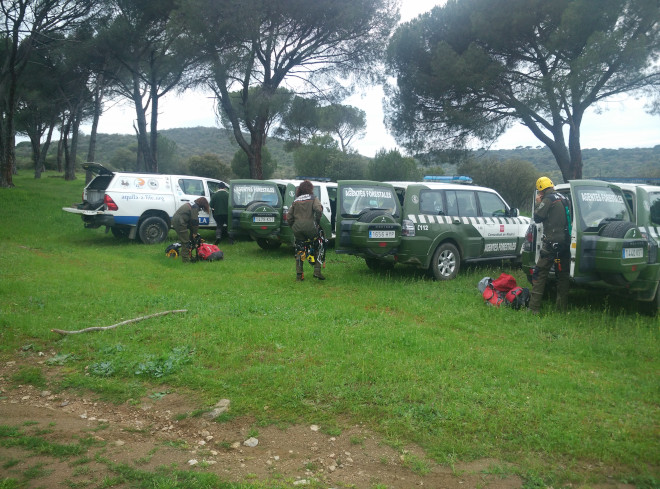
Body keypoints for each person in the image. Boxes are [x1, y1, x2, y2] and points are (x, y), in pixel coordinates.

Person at [529, 177, 571, 313]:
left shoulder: (548, 199)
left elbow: (537, 218)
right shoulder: (565, 198)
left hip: (551, 244)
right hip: (565, 243)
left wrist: (538, 203)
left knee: (540, 273)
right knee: (563, 276)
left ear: (540, 189)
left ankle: (533, 308)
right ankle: (561, 308)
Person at [287, 180, 325, 281]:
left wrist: (293, 226)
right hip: (311, 228)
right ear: (311, 188)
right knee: (319, 246)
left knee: (300, 250)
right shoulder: (313, 198)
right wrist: (317, 221)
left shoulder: (296, 201)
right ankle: (317, 271)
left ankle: (299, 275)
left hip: (297, 229)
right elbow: (318, 209)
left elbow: (288, 217)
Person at [172, 197, 210, 263]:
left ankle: (188, 253)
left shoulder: (193, 204)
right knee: (185, 242)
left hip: (179, 220)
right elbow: (195, 221)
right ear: (202, 204)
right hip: (180, 222)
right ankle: (186, 261)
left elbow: (192, 222)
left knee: (188, 239)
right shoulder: (195, 207)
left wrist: (193, 235)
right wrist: (195, 233)